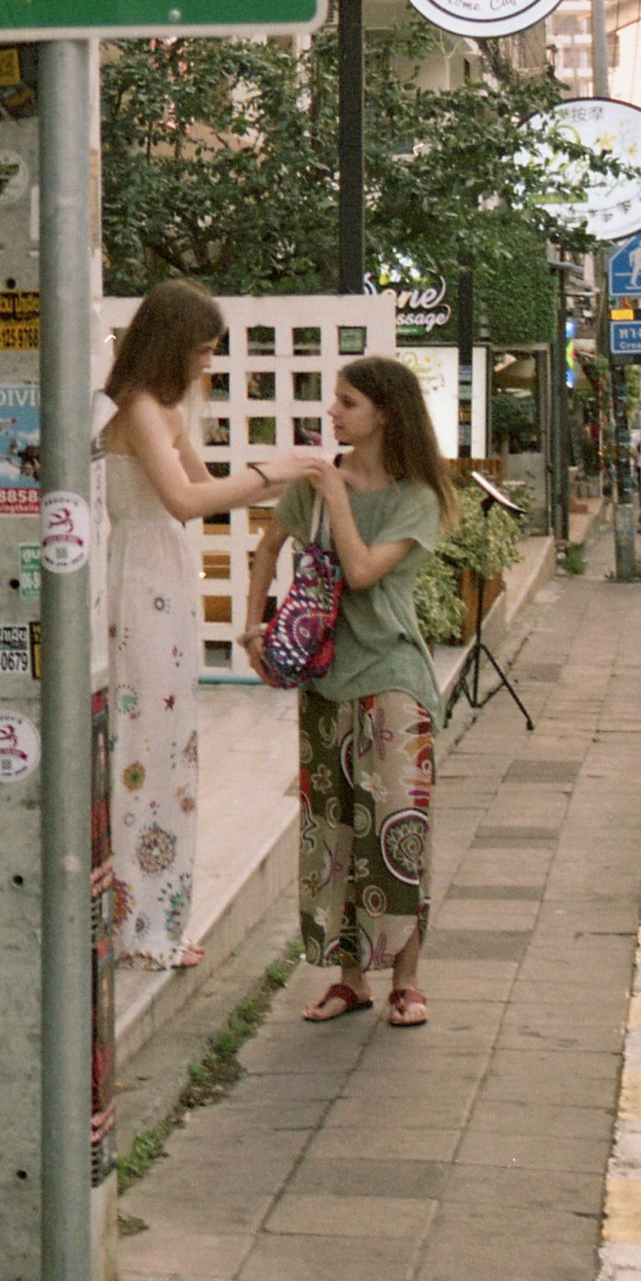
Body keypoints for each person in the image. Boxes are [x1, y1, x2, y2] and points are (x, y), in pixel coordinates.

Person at [249, 356, 455, 1028]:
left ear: (385, 413)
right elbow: (268, 544)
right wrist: (254, 628)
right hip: (327, 675)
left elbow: (363, 571)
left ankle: (408, 978)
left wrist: (334, 489)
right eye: (334, 400)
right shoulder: (313, 486)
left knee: (398, 829)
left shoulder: (415, 496)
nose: (333, 413)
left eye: (348, 403)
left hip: (394, 675)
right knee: (335, 830)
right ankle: (350, 978)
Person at [99, 279, 292, 970]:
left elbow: (212, 490)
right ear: (171, 344)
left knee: (169, 745)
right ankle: (141, 919)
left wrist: (293, 476)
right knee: (147, 743)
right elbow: (186, 499)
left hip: (166, 577)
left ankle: (159, 914)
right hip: (144, 576)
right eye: (202, 350)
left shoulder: (162, 408)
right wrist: (274, 469)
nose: (206, 363)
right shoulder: (143, 407)